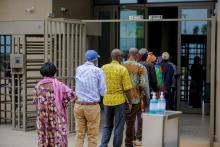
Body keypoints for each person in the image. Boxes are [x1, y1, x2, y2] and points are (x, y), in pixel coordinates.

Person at [33, 62, 76, 147]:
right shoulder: (59, 85)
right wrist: (63, 104)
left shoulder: (37, 86)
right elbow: (72, 95)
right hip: (57, 119)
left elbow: (35, 102)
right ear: (54, 72)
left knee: (44, 138)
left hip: (43, 119)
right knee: (58, 139)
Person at [100, 49, 133, 147]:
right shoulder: (122, 69)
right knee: (119, 127)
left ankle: (103, 145)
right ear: (119, 57)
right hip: (119, 102)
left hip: (107, 101)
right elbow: (127, 89)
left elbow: (100, 85)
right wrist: (130, 102)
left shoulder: (103, 68)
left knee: (107, 125)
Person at [74, 50, 107, 147]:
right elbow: (102, 91)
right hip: (92, 106)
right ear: (95, 59)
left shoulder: (79, 69)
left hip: (78, 105)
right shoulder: (98, 71)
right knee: (92, 135)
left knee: (79, 134)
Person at [123, 48, 149, 147]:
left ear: (129, 54)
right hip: (135, 98)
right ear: (137, 55)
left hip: (122, 97)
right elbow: (143, 84)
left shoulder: (122, 66)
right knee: (132, 121)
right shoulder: (141, 67)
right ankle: (129, 142)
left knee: (127, 121)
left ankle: (131, 140)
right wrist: (147, 97)